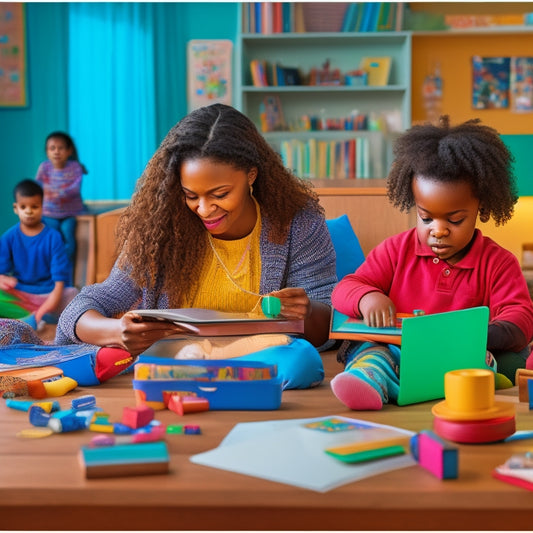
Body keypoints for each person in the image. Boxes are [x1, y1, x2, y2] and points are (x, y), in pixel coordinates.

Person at [56, 104, 337, 380]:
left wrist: (307, 312)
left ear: (251, 174)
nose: (204, 209)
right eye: (191, 196)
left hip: (262, 355)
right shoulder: (160, 227)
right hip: (175, 357)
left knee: (300, 360)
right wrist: (116, 331)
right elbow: (84, 307)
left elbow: (330, 322)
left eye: (220, 194)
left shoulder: (299, 223)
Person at [330, 116, 533, 411]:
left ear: (482, 207)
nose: (438, 230)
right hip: (398, 352)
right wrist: (367, 297)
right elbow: (346, 288)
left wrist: (473, 333)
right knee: (371, 354)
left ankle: (458, 383)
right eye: (426, 218)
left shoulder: (498, 262)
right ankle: (368, 382)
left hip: (460, 356)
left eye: (454, 219)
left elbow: (521, 317)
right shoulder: (396, 249)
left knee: (497, 359)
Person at [0, 179, 78, 327]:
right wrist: (3, 279)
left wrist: (43, 310)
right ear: (15, 208)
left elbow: (59, 284)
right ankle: (27, 319)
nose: (29, 211)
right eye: (23, 207)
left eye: (34, 207)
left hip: (49, 295)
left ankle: (32, 319)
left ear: (42, 208)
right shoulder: (8, 237)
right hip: (21, 293)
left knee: (73, 294)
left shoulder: (54, 238)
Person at [35, 131, 88, 283]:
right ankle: (52, 274)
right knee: (52, 238)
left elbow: (74, 188)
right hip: (49, 213)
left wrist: (55, 192)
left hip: (70, 213)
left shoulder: (75, 167)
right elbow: (38, 187)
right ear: (47, 151)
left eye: (61, 148)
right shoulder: (44, 167)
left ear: (69, 151)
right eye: (52, 148)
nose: (56, 151)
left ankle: (65, 271)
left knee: (68, 236)